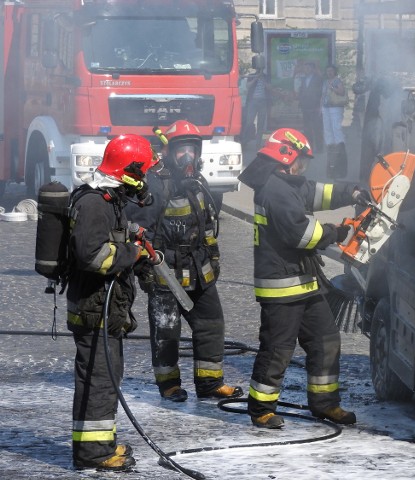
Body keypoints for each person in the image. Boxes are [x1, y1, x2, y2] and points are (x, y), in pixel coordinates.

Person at [237, 128, 370, 429]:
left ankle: (325, 404)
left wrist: (352, 191)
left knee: (326, 340)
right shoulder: (274, 190)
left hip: (306, 281)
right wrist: (336, 233)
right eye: (302, 161)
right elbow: (302, 234)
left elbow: (316, 192)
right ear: (287, 156)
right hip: (282, 286)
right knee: (277, 350)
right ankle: (261, 409)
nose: (303, 168)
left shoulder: (287, 182)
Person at [126, 120, 243, 403]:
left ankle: (210, 383)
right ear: (168, 152)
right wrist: (145, 269)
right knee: (166, 331)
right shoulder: (154, 183)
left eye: (192, 149)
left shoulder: (197, 182)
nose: (188, 156)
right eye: (182, 150)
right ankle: (169, 385)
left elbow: (206, 227)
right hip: (165, 272)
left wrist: (213, 260)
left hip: (199, 270)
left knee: (212, 324)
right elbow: (137, 231)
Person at [68, 134, 158, 471]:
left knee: (106, 378)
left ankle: (100, 444)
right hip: (94, 309)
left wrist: (132, 235)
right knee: (99, 381)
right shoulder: (94, 203)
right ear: (131, 171)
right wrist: (132, 253)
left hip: (104, 308)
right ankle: (93, 454)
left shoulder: (108, 199)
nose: (146, 180)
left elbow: (109, 236)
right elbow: (91, 255)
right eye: (144, 172)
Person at [322, 64, 348, 179]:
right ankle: (330, 144)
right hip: (326, 107)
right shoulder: (325, 82)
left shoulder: (337, 81)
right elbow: (322, 95)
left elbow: (341, 92)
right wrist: (320, 106)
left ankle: (339, 143)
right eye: (328, 71)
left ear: (334, 72)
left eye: (331, 71)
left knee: (336, 127)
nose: (329, 73)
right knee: (327, 127)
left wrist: (332, 87)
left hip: (335, 107)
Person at [297, 61, 325, 154]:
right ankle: (310, 148)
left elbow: (321, 93)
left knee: (317, 128)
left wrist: (319, 106)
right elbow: (302, 91)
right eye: (305, 68)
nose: (306, 69)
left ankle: (320, 148)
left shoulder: (318, 79)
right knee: (307, 128)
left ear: (313, 69)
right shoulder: (304, 79)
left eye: (308, 68)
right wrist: (300, 101)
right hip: (305, 107)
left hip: (315, 107)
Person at [242, 67, 271, 146]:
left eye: (261, 70)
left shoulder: (266, 77)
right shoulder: (252, 76)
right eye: (258, 70)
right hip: (253, 101)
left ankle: (258, 144)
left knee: (261, 124)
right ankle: (245, 140)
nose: (259, 71)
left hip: (263, 102)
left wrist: (263, 80)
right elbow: (248, 86)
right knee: (249, 122)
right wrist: (255, 78)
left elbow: (269, 88)